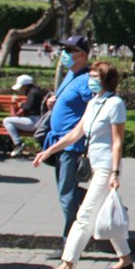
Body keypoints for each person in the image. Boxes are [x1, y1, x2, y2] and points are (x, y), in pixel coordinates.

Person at [36, 62, 130, 269]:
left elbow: (118, 141)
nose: (91, 80)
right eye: (90, 75)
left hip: (107, 167)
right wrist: (49, 150)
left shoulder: (115, 104)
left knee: (85, 215)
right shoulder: (93, 103)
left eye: (95, 76)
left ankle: (67, 265)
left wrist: (115, 173)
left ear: (106, 79)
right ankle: (125, 259)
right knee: (102, 213)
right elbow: (76, 133)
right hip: (95, 164)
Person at [43, 35, 95, 238]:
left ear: (82, 55)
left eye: (69, 51)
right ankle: (100, 202)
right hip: (59, 142)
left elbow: (95, 108)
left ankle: (70, 240)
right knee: (67, 190)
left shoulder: (87, 80)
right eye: (64, 50)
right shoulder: (71, 75)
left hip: (72, 145)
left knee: (66, 194)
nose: (64, 54)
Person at [3, 74, 45, 157]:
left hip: (35, 121)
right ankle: (18, 144)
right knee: (9, 120)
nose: (20, 89)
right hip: (39, 120)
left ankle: (18, 144)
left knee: (7, 120)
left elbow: (28, 107)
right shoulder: (36, 91)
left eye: (21, 87)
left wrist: (19, 104)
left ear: (25, 86)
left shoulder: (32, 93)